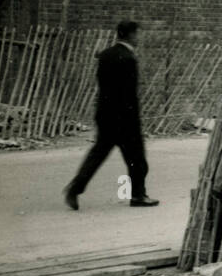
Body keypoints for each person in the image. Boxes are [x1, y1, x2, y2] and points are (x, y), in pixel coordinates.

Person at [63, 20, 158, 209]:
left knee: (97, 155)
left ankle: (75, 188)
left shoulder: (105, 55)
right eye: (138, 34)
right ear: (131, 34)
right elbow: (129, 94)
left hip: (105, 114)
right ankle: (138, 195)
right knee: (137, 159)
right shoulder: (129, 58)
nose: (139, 37)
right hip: (125, 118)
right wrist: (134, 120)